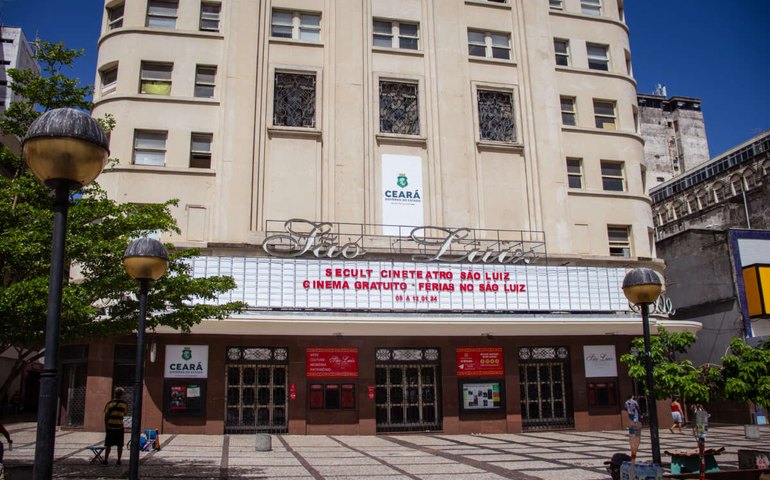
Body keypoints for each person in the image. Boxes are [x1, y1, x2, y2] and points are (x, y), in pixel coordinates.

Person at [103, 387, 128, 466]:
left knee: (108, 445)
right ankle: (119, 460)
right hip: (119, 427)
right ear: (122, 395)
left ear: (115, 394)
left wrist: (106, 426)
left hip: (110, 427)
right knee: (120, 445)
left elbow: (106, 416)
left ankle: (106, 459)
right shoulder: (124, 404)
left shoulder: (109, 403)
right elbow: (125, 414)